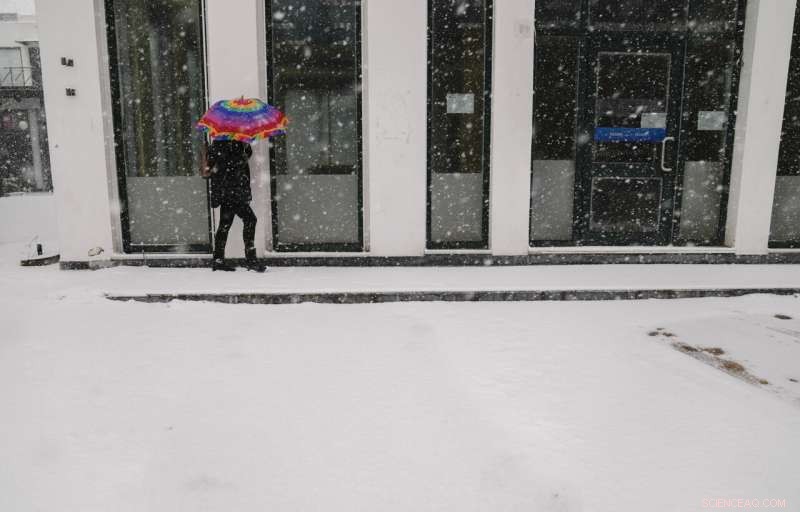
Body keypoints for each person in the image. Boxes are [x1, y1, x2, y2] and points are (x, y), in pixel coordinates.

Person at [203, 139, 267, 272]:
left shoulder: (230, 142)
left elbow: (244, 157)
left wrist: (245, 146)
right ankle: (251, 260)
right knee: (250, 220)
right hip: (232, 191)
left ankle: (218, 260)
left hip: (229, 191)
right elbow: (230, 165)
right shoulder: (223, 144)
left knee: (225, 224)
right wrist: (242, 152)